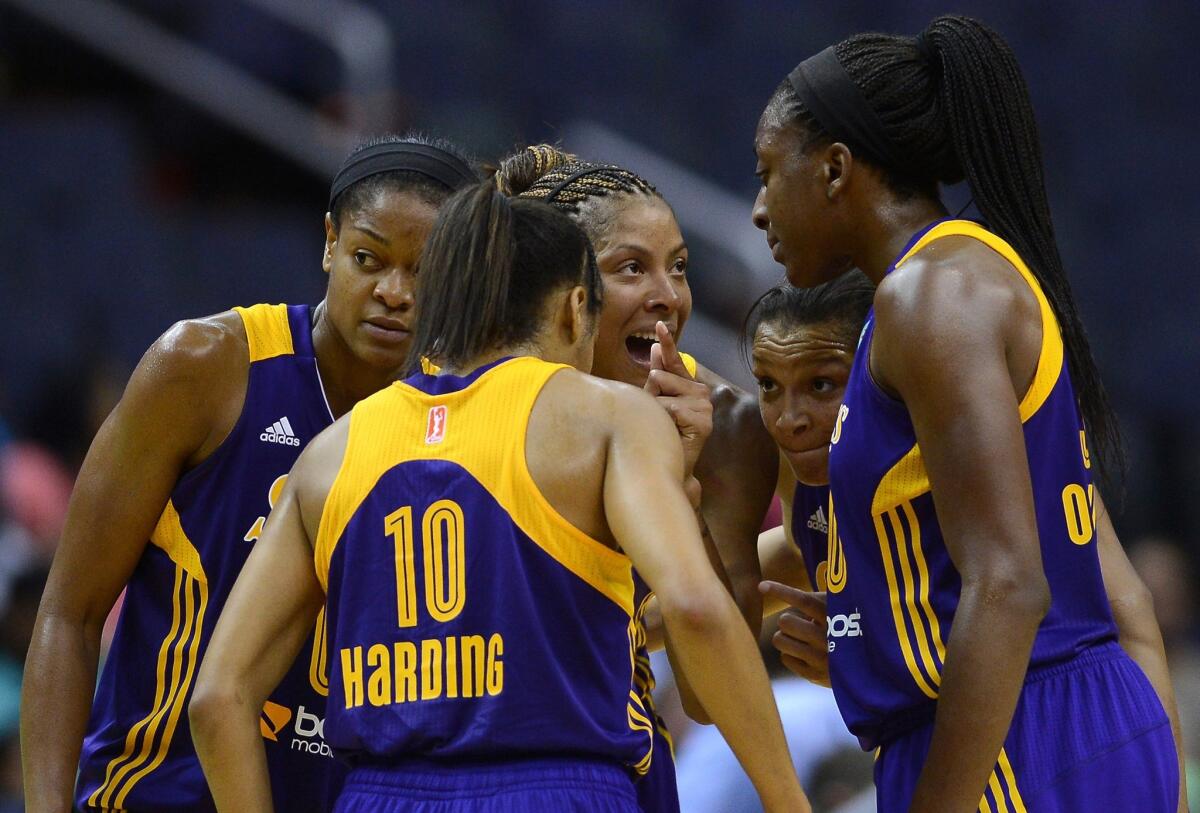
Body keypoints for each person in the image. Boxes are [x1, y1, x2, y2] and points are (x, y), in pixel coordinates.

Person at [187, 181, 810, 813]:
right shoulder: (607, 416)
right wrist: (789, 802)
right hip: (556, 787)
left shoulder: (330, 451)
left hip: (379, 793)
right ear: (574, 308)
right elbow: (696, 610)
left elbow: (217, 696)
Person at [750, 14, 1185, 811]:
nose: (757, 207)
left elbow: (1011, 583)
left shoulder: (929, 297)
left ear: (836, 169)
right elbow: (1122, 598)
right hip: (1084, 725)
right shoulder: (970, 274)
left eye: (769, 171)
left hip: (1010, 737)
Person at [20, 135, 478, 812]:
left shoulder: (466, 419)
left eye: (425, 271)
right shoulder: (206, 367)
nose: (394, 292)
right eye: (368, 258)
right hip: (161, 794)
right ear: (329, 243)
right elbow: (70, 612)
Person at [492, 145, 773, 812]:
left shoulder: (730, 426)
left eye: (678, 267)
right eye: (632, 268)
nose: (669, 297)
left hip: (612, 761)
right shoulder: (483, 405)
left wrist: (684, 488)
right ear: (567, 291)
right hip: (471, 750)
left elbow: (706, 698)